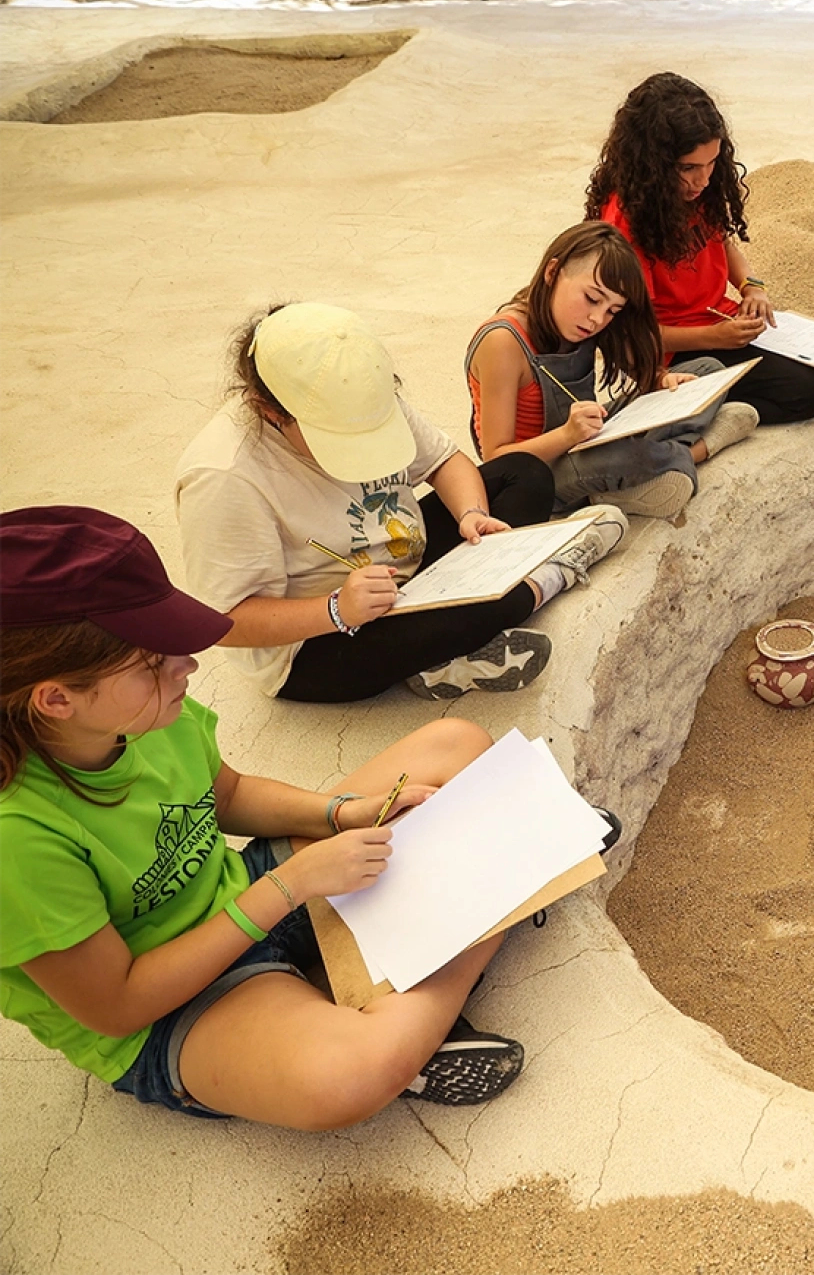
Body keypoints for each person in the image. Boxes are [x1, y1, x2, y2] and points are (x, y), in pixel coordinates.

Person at [0, 506, 526, 1126]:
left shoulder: (143, 715)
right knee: (345, 1076)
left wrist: (342, 813)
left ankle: (411, 976)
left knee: (454, 743)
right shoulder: (17, 838)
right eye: (153, 661)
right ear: (56, 698)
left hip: (238, 896)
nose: (186, 667)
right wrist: (290, 885)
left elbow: (226, 795)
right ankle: (498, 904)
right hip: (174, 1008)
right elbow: (118, 1005)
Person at [175, 303, 626, 704]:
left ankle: (440, 656)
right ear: (268, 409)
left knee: (524, 474)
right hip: (320, 640)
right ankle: (551, 573)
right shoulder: (224, 475)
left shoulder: (361, 393)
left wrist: (473, 515)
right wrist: (336, 609)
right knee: (485, 604)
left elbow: (447, 460)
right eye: (336, 438)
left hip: (404, 568)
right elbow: (226, 622)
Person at [586, 73, 814, 425]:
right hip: (675, 350)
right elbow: (632, 335)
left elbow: (721, 242)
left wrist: (751, 286)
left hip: (720, 322)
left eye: (711, 164)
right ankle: (710, 417)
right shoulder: (626, 219)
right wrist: (716, 337)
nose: (704, 180)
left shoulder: (696, 190)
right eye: (689, 168)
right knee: (807, 392)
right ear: (652, 164)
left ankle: (713, 400)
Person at [466, 220, 760, 521]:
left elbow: (637, 366)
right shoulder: (502, 341)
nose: (596, 318)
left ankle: (624, 482)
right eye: (591, 299)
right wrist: (567, 435)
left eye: (612, 311)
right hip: (539, 472)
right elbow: (497, 459)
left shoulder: (587, 321)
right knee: (628, 454)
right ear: (552, 273)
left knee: (708, 370)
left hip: (586, 435)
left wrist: (662, 380)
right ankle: (699, 450)